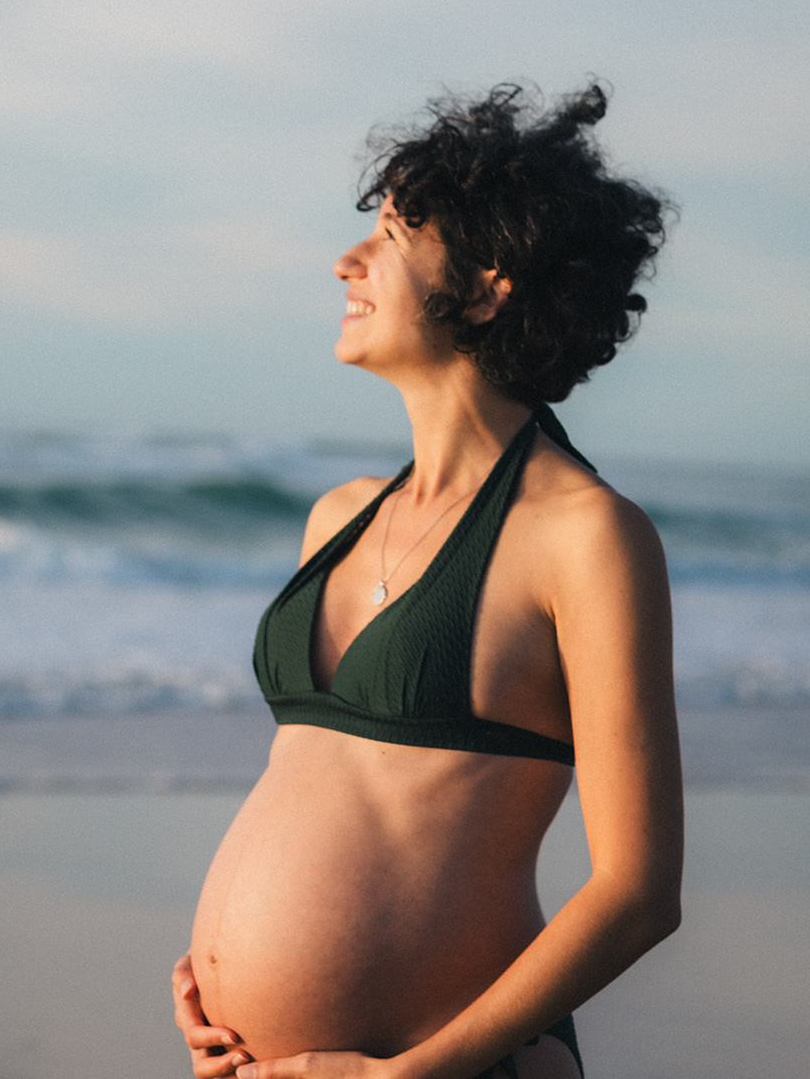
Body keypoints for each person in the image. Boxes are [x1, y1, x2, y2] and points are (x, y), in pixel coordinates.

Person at [172, 83, 683, 1079]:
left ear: (488, 286)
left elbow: (638, 892)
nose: (345, 261)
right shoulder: (339, 516)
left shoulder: (585, 537)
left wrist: (412, 1076)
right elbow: (322, 790)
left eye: (391, 237)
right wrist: (221, 978)